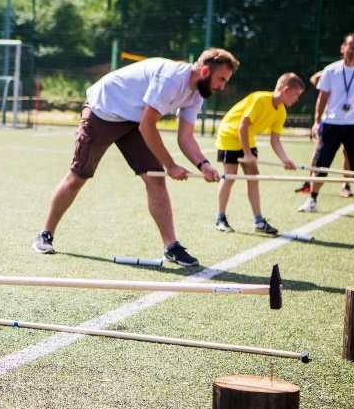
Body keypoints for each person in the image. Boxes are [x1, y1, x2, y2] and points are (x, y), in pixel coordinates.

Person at [32, 48, 239, 266]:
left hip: (134, 120)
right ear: (205, 71)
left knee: (155, 177)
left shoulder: (198, 93)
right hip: (103, 111)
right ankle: (45, 234)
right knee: (79, 175)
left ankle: (171, 247)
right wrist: (170, 164)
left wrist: (203, 165)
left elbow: (185, 137)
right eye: (221, 79)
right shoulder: (171, 79)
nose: (222, 87)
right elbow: (148, 125)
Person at [213, 73, 305, 234]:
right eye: (296, 94)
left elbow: (274, 140)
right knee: (230, 175)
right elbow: (242, 125)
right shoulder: (260, 99)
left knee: (253, 176)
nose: (296, 99)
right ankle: (220, 218)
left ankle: (258, 221)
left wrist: (285, 159)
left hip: (246, 137)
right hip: (229, 134)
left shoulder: (281, 112)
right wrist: (247, 154)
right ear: (286, 89)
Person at [298, 33, 354, 212]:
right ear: (343, 48)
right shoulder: (331, 71)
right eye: (351, 48)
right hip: (332, 124)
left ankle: (346, 187)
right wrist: (317, 122)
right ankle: (312, 200)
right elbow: (322, 98)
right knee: (322, 164)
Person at [295, 69, 352, 197]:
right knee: (318, 151)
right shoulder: (335, 71)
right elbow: (314, 79)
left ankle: (346, 185)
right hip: (329, 121)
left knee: (348, 152)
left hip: (351, 121)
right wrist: (329, 73)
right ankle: (309, 183)